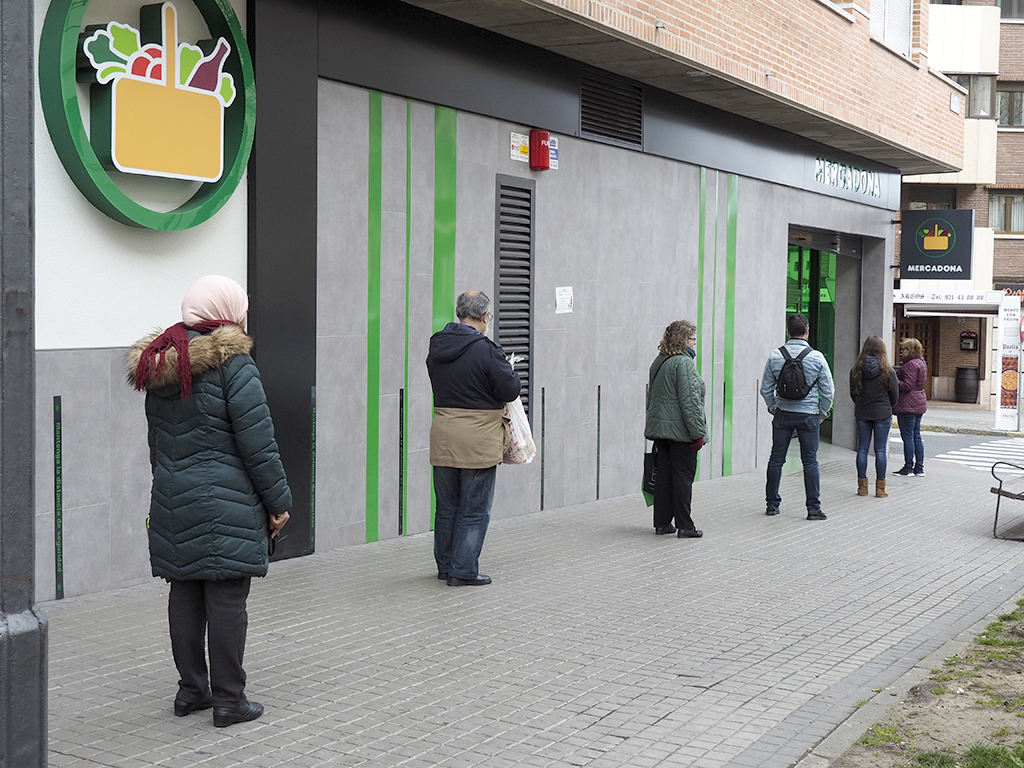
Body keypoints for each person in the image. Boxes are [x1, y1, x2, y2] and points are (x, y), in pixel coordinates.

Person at [127, 275, 292, 728]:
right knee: (225, 599)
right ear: (227, 309)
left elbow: (156, 443)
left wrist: (170, 486)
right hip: (227, 500)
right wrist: (278, 502)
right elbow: (258, 443)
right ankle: (230, 702)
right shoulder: (233, 365)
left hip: (174, 496)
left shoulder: (161, 364)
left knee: (184, 593)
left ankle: (191, 692)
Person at [426, 291, 522, 586]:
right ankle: (463, 569)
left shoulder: (437, 345)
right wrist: (509, 370)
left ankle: (445, 566)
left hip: (443, 435)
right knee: (474, 508)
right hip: (478, 439)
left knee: (446, 507)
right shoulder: (486, 350)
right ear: (484, 317)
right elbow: (509, 390)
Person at [760, 313, 835, 520]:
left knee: (776, 459)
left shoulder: (776, 355)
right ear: (807, 330)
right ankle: (813, 509)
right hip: (809, 416)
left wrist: (774, 407)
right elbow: (828, 391)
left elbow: (765, 389)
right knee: (810, 462)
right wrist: (822, 413)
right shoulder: (816, 357)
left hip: (783, 414)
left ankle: (772, 505)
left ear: (787, 331)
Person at [644, 320, 708, 538]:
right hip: (681, 432)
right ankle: (685, 525)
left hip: (661, 430)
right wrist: (698, 433)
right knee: (682, 478)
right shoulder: (684, 363)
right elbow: (690, 402)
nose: (695, 343)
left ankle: (662, 523)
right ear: (683, 340)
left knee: (664, 477)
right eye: (692, 339)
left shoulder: (659, 361)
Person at [849, 336, 899, 498]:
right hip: (882, 413)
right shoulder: (887, 370)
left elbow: (853, 393)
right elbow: (895, 395)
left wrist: (861, 403)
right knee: (880, 450)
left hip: (862, 412)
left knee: (862, 448)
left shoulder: (856, 369)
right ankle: (880, 488)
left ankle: (862, 487)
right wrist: (886, 406)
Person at [893, 337, 928, 477]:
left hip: (908, 404)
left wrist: (894, 379)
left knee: (907, 437)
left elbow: (907, 385)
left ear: (911, 350)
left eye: (904, 349)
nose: (902, 352)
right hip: (919, 402)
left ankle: (908, 467)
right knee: (916, 436)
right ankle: (919, 468)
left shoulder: (910, 365)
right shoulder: (921, 363)